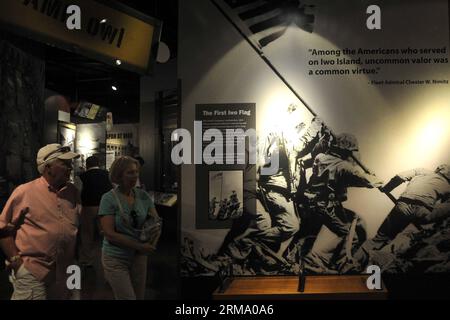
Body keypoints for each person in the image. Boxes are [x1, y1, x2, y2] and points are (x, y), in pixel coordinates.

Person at [0, 144, 80, 300]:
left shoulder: (73, 192)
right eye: (65, 163)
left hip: (70, 269)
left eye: (70, 163)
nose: (70, 167)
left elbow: (77, 228)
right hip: (33, 271)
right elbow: (2, 228)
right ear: (48, 167)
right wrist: (17, 263)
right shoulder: (25, 192)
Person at [301, 133, 382, 272]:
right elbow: (366, 181)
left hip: (311, 203)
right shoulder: (344, 167)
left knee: (356, 219)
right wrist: (375, 178)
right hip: (326, 206)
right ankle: (340, 264)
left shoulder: (320, 158)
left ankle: (315, 258)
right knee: (348, 232)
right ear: (346, 151)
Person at [352, 164, 450, 269]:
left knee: (379, 239)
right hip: (423, 212)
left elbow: (399, 177)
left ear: (438, 169)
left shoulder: (423, 171)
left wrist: (387, 189)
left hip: (403, 205)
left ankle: (353, 262)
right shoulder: (448, 187)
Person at [98, 156, 161, 300]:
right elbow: (109, 233)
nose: (135, 176)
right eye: (130, 172)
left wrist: (153, 242)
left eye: (136, 172)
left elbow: (155, 222)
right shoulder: (108, 198)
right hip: (116, 257)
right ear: (119, 175)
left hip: (139, 256)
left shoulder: (143, 196)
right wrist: (139, 246)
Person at [78, 155, 112, 267]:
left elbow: (78, 192)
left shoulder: (82, 176)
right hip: (104, 208)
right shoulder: (107, 175)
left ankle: (88, 259)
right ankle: (108, 259)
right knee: (106, 234)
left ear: (87, 165)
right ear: (99, 164)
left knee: (87, 234)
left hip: (88, 207)